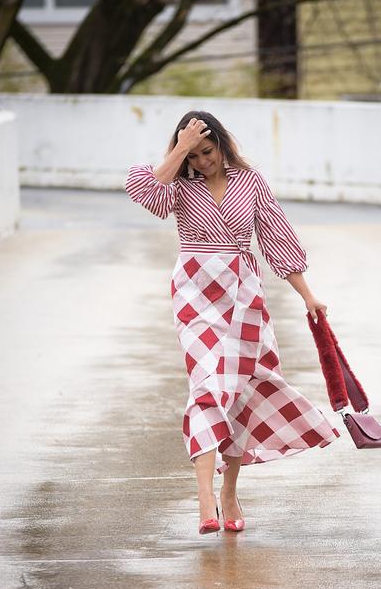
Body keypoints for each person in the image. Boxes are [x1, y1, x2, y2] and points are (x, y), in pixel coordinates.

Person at [125, 111, 340, 536]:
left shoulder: (252, 181)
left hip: (243, 292)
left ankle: (229, 492)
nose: (202, 161)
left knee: (239, 392)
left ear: (222, 143)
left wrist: (307, 295)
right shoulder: (177, 185)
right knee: (206, 386)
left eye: (208, 151)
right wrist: (180, 149)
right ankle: (205, 498)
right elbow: (144, 191)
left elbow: (278, 238)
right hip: (194, 291)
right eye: (195, 154)